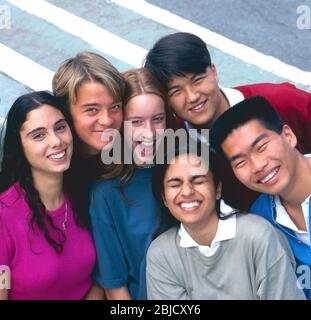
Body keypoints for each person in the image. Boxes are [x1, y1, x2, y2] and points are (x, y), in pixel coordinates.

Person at [145, 32, 311, 210]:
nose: (192, 97)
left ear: (214, 72)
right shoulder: (173, 142)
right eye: (176, 91)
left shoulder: (282, 101)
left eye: (198, 80)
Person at [147, 144, 305, 300]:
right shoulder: (161, 254)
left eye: (198, 181)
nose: (187, 191)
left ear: (217, 189)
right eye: (175, 184)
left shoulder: (258, 235)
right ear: (164, 198)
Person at [0, 91, 102, 300]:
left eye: (60, 127)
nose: (56, 141)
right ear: (19, 146)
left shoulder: (85, 195)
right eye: (38, 135)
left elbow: (98, 281)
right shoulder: (4, 218)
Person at [210, 95, 311, 299]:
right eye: (240, 162)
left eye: (261, 147)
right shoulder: (260, 221)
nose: (257, 166)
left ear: (289, 136)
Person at [89, 68, 174, 300]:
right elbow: (114, 285)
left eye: (158, 119)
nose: (149, 133)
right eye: (136, 122)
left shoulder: (185, 168)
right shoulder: (106, 194)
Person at [52, 51, 126, 180]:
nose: (107, 121)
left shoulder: (137, 148)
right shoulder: (53, 166)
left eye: (115, 107)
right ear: (65, 111)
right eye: (92, 109)